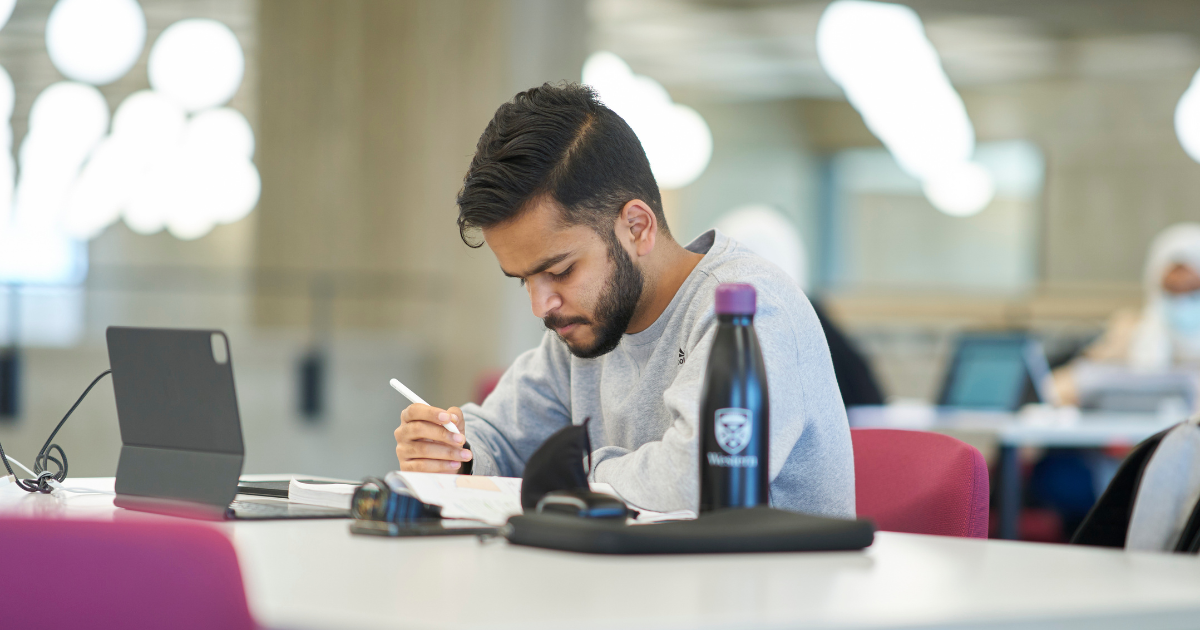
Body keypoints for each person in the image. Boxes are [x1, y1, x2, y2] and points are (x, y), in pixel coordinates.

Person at [392, 83, 854, 517]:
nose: (541, 306)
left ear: (637, 227)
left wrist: (570, 474)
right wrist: (453, 452)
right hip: (647, 591)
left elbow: (696, 481)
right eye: (523, 280)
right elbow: (499, 440)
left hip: (763, 594)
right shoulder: (584, 327)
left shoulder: (747, 311)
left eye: (559, 271)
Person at [1054, 223, 1200, 404]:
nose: (1182, 302)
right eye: (1172, 290)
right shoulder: (1130, 331)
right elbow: (1063, 386)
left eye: (1192, 291)